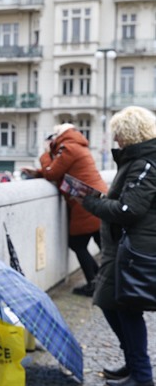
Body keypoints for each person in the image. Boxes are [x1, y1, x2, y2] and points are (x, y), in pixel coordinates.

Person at [78, 106, 156, 386]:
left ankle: (142, 375)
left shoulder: (147, 162)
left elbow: (128, 209)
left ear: (131, 134)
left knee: (125, 308)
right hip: (123, 247)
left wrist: (91, 201)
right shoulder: (138, 160)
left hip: (135, 250)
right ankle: (134, 365)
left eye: (119, 135)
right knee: (110, 302)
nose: (117, 141)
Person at [21, 123, 108, 296]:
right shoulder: (76, 146)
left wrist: (46, 153)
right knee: (102, 245)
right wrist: (39, 173)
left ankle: (95, 282)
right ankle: (103, 281)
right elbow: (61, 170)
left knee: (77, 243)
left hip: (85, 202)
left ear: (60, 135)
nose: (52, 139)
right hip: (96, 199)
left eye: (54, 135)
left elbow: (52, 173)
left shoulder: (68, 147)